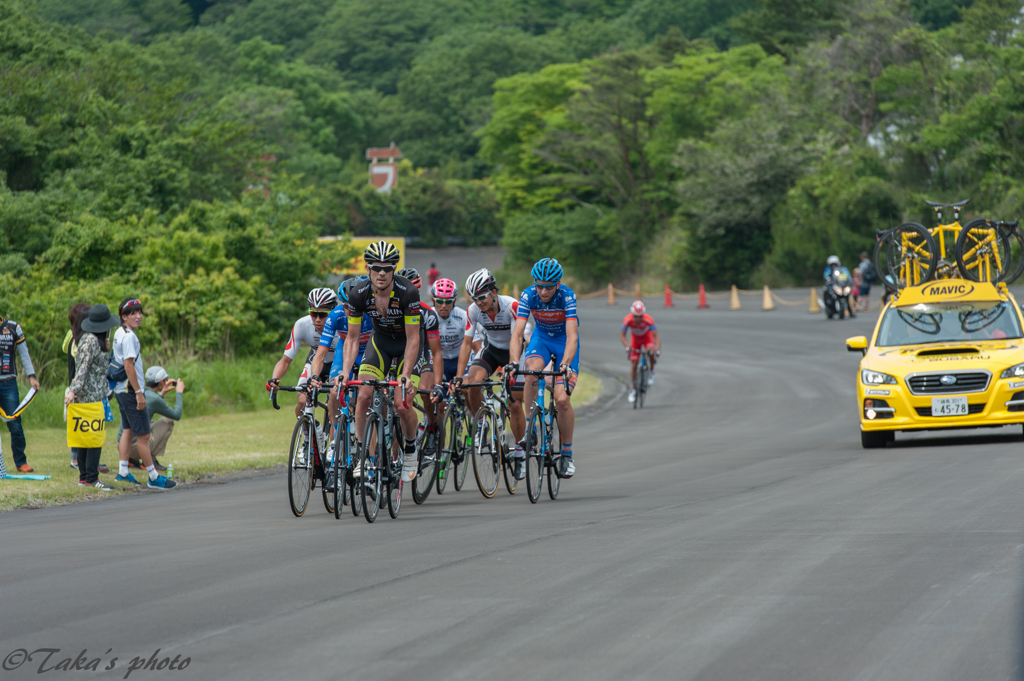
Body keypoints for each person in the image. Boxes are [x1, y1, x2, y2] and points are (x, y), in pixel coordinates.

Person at [334, 240, 421, 484]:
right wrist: (344, 371)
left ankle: (411, 450)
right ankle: (364, 456)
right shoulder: (358, 294)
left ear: (394, 269)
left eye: (387, 268)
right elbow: (351, 339)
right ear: (368, 268)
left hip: (407, 345)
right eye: (376, 268)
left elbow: (414, 338)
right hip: (380, 343)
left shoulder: (408, 293)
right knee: (363, 396)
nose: (381, 272)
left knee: (402, 404)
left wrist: (405, 374)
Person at [452, 268, 528, 478]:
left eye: (482, 297)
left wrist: (512, 365)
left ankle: (520, 451)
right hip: (493, 350)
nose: (479, 302)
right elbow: (467, 344)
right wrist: (459, 377)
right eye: (475, 298)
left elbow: (518, 337)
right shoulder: (473, 311)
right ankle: (482, 422)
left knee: (514, 403)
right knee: (472, 384)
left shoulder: (511, 306)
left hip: (516, 350)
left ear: (493, 292)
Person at [509, 258, 580, 479]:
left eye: (548, 286)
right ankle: (531, 427)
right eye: (539, 285)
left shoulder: (567, 296)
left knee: (561, 400)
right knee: (531, 371)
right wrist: (513, 361)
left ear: (557, 284)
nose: (543, 291)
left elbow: (572, 336)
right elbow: (518, 333)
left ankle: (566, 454)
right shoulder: (528, 295)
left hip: (563, 343)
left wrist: (565, 364)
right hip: (541, 338)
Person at [112, 297, 176, 490]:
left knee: (127, 430)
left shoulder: (119, 332)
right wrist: (139, 392)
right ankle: (153, 477)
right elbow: (128, 365)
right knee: (144, 435)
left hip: (120, 389)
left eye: (140, 312)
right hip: (131, 391)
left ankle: (123, 472)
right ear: (123, 316)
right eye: (133, 313)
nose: (138, 316)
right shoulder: (130, 336)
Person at [64, 304, 120, 490]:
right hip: (89, 398)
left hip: (94, 395)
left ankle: (85, 478)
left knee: (86, 437)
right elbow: (82, 369)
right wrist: (73, 389)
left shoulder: (95, 339)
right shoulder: (90, 341)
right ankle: (91, 478)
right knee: (93, 437)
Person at [266, 288, 340, 418]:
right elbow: (285, 361)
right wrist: (274, 379)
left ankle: (337, 437)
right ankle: (308, 436)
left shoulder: (342, 325)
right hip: (316, 362)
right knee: (302, 401)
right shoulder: (302, 325)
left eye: (323, 314)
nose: (317, 319)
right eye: (313, 313)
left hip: (339, 363)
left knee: (336, 404)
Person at [396, 267, 443, 464]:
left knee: (425, 392)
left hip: (423, 353)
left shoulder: (428, 314)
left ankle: (432, 427)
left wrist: (438, 384)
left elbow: (436, 352)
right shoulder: (389, 308)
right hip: (399, 352)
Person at [119, 366, 185, 471]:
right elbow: (177, 415)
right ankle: (150, 461)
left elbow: (150, 403)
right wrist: (179, 393)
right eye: (165, 380)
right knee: (168, 421)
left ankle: (129, 459)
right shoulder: (154, 399)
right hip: (136, 447)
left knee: (147, 422)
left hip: (122, 445)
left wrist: (162, 393)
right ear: (161, 382)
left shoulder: (138, 392)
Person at [0, 312, 41, 473]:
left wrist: (32, 376)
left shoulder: (13, 327)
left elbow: (24, 353)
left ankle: (20, 462)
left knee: (15, 425)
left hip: (9, 383)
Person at [620, 300, 661, 403]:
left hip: (647, 338)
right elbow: (622, 335)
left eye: (640, 316)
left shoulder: (649, 320)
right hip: (635, 340)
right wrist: (627, 346)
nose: (638, 318)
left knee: (651, 351)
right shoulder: (627, 320)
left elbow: (656, 335)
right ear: (632, 314)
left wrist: (658, 350)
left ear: (643, 314)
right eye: (635, 316)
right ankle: (633, 389)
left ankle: (651, 370)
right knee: (634, 365)